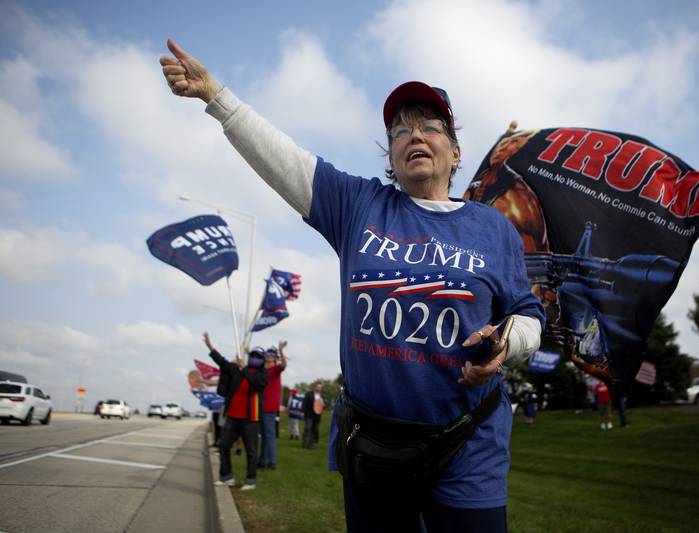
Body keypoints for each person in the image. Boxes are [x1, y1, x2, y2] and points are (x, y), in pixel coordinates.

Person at [161, 39, 544, 532]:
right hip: (374, 447)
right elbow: (286, 160)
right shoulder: (360, 206)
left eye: (429, 126)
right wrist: (216, 96)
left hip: (468, 448)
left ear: (455, 150)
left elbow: (529, 315)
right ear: (391, 153)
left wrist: (505, 342)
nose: (414, 135)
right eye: (400, 130)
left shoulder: (493, 229)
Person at [203, 332, 268, 491]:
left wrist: (244, 368)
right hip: (232, 416)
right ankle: (227, 477)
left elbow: (257, 385)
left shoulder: (262, 374)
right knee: (224, 445)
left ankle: (250, 481)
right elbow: (222, 363)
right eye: (252, 355)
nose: (254, 358)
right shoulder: (237, 369)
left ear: (262, 360)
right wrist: (210, 346)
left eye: (258, 356)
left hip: (250, 419)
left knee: (251, 451)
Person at [258, 341, 287, 469]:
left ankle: (272, 461)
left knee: (269, 435)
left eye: (271, 357)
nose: (268, 358)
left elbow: (284, 364)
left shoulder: (275, 370)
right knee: (263, 435)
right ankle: (262, 460)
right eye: (267, 357)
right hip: (261, 407)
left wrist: (281, 350)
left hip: (270, 408)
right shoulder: (263, 371)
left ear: (275, 359)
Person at [302, 382, 324, 449]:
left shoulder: (322, 396)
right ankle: (304, 444)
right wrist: (302, 411)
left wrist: (323, 405)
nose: (319, 388)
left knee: (314, 430)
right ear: (315, 387)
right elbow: (304, 403)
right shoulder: (309, 394)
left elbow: (323, 405)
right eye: (318, 387)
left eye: (320, 387)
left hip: (317, 416)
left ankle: (310, 445)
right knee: (307, 429)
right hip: (309, 414)